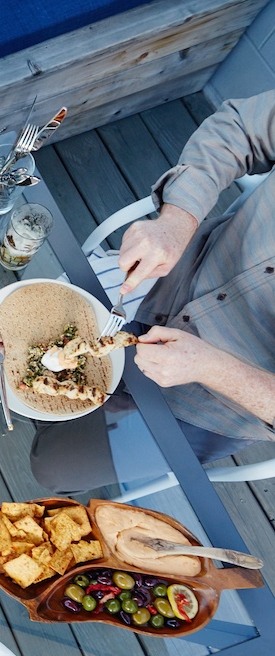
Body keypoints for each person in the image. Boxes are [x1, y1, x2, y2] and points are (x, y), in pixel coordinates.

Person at [31, 90, 275, 494]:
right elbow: (244, 128)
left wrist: (211, 367)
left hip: (216, 398)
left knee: (54, 467)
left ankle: (56, 417)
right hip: (172, 275)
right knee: (22, 341)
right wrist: (177, 221)